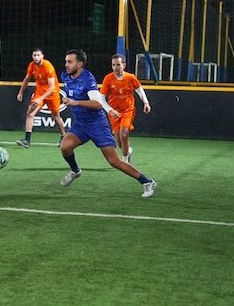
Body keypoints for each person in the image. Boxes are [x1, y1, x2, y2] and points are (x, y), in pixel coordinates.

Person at [58, 49, 156, 198]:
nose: (66, 65)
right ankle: (76, 171)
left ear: (80, 64)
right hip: (81, 124)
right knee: (65, 147)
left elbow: (98, 104)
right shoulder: (65, 76)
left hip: (97, 124)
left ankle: (147, 182)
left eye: (70, 62)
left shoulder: (88, 80)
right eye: (66, 61)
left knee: (114, 161)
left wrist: (75, 102)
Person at [100, 53, 151, 164]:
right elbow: (101, 98)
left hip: (128, 111)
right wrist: (110, 110)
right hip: (114, 113)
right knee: (119, 142)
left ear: (124, 65)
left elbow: (139, 89)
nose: (115, 67)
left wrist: (146, 102)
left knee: (124, 134)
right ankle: (128, 151)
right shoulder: (108, 79)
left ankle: (124, 161)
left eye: (118, 65)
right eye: (113, 65)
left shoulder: (130, 77)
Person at [16, 47, 66, 148]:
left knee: (56, 117)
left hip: (52, 94)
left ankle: (63, 137)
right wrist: (21, 92)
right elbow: (26, 79)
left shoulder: (48, 66)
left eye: (38, 55)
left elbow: (51, 87)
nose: (36, 57)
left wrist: (40, 98)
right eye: (34, 55)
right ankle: (27, 140)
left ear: (42, 56)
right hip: (39, 92)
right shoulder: (32, 65)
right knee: (30, 113)